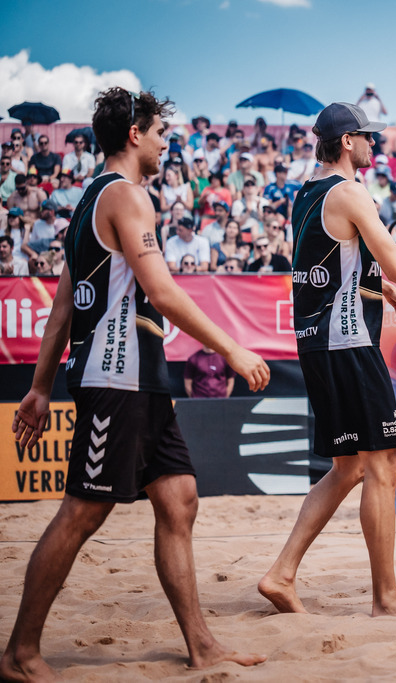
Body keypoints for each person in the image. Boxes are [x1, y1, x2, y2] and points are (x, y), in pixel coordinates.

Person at [1, 87, 270, 681]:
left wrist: (41, 388)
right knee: (83, 511)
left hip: (141, 378)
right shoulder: (125, 196)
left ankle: (201, 645)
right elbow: (165, 292)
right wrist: (231, 346)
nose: (165, 143)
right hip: (114, 375)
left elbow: (62, 307)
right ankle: (20, 653)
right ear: (134, 134)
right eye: (160, 133)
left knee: (179, 500)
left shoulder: (88, 205)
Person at [258, 102, 396, 617]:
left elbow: (334, 265)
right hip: (349, 344)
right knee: (383, 465)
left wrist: (379, 292)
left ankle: (281, 574)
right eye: (367, 137)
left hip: (317, 343)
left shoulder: (305, 196)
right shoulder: (351, 192)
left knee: (347, 468)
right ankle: (387, 598)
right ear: (345, 143)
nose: (374, 145)